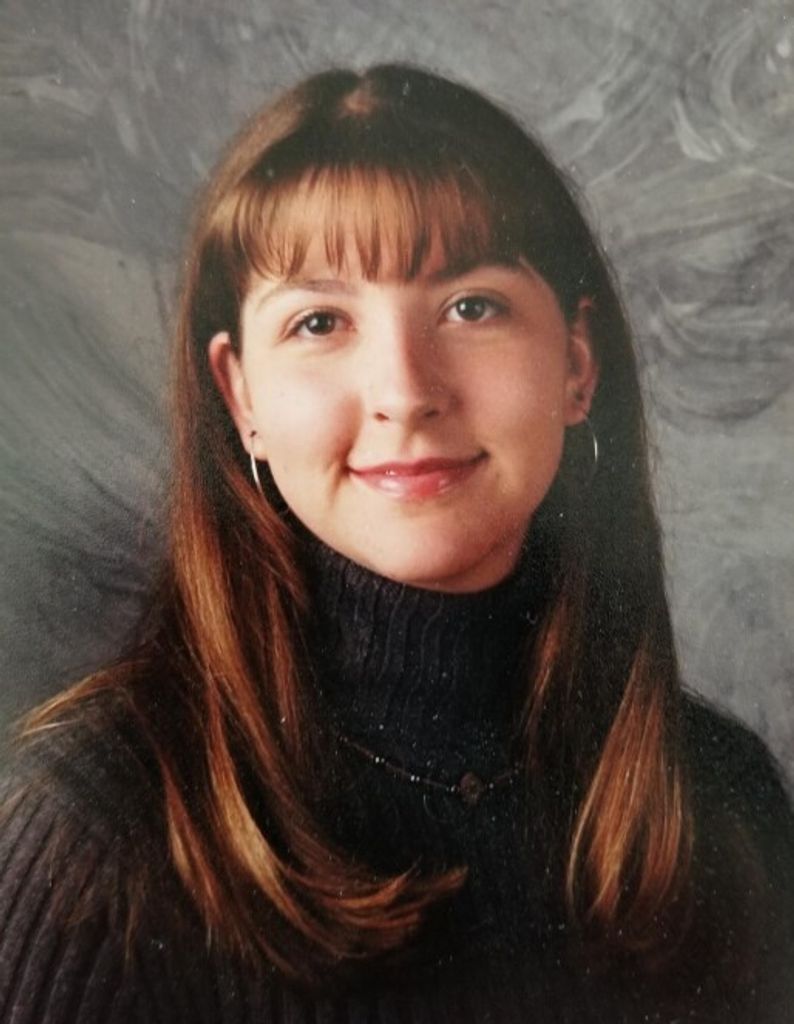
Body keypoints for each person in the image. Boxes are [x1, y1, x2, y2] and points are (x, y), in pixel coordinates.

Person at [1, 63, 792, 1024]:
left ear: (578, 364)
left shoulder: (725, 797)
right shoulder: (95, 830)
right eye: (319, 322)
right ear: (241, 396)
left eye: (471, 306)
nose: (406, 391)